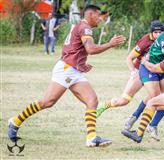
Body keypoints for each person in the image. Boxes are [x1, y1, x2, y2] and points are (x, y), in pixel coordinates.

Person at [8, 5, 126, 147]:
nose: (100, 19)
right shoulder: (85, 27)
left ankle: (92, 138)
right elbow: (91, 49)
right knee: (47, 102)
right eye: (99, 15)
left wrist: (80, 64)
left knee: (92, 100)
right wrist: (110, 44)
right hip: (66, 70)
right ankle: (15, 121)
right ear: (90, 14)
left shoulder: (81, 26)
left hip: (73, 70)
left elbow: (73, 49)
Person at [95, 20, 164, 140]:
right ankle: (104, 105)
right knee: (124, 100)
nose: (158, 35)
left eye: (160, 32)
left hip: (154, 72)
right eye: (156, 32)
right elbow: (129, 58)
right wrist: (133, 72)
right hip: (140, 71)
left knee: (155, 97)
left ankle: (135, 119)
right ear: (151, 32)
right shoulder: (145, 41)